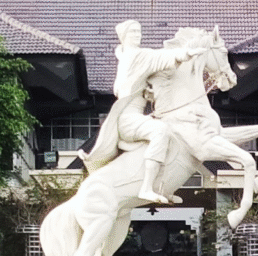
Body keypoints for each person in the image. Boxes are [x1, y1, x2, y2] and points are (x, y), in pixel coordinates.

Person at [79, 20, 205, 203]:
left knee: (167, 132)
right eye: (133, 32)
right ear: (124, 36)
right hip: (128, 119)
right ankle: (146, 188)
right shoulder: (137, 56)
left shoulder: (124, 57)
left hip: (133, 115)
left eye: (139, 32)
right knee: (161, 131)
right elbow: (161, 57)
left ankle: (163, 186)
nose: (138, 35)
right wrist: (185, 53)